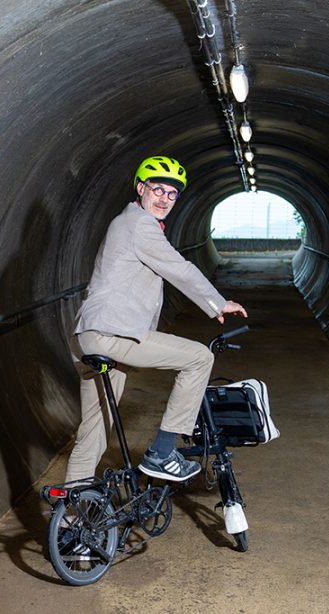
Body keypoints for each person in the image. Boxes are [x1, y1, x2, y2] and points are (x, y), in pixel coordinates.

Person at [66, 155, 248, 483]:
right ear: (141, 188)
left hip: (88, 337)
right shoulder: (140, 224)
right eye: (157, 189)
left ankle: (67, 520)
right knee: (198, 358)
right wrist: (218, 304)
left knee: (95, 429)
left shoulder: (123, 223)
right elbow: (179, 268)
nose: (164, 198)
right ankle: (163, 452)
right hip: (113, 334)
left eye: (172, 194)